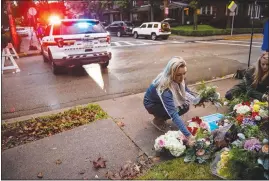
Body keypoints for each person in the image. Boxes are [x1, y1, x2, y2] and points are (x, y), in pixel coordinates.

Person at [143, 56, 198, 146]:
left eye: (184, 73)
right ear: (171, 73)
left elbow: (186, 91)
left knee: (185, 106)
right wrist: (189, 136)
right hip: (152, 104)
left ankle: (163, 116)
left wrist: (197, 100)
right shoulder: (165, 87)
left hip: (159, 101)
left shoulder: (180, 79)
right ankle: (158, 120)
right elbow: (173, 113)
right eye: (179, 75)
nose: (182, 77)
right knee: (175, 110)